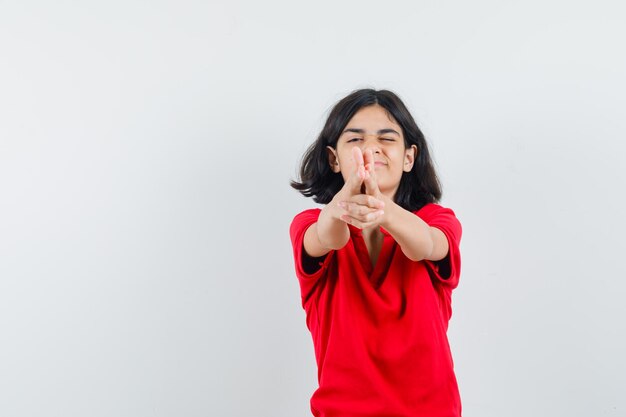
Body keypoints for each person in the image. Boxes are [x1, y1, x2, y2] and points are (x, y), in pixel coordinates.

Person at [289, 88, 463, 417]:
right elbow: (327, 237)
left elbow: (426, 245)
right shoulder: (309, 223)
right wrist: (348, 200)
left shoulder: (437, 221)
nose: (371, 149)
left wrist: (383, 208)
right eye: (355, 140)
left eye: (387, 139)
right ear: (333, 158)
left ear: (409, 157)